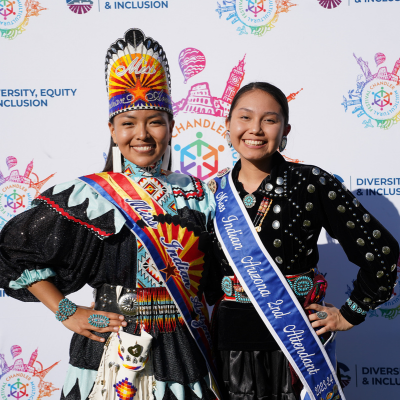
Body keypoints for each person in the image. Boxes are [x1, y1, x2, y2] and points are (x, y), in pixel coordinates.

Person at [0, 28, 219, 400]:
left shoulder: (198, 195)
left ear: (171, 126)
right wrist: (67, 310)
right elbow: (12, 253)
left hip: (183, 347)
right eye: (129, 123)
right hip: (109, 344)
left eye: (154, 121)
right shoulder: (90, 196)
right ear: (112, 130)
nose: (142, 134)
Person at [206, 82, 399, 400]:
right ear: (228, 126)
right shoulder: (210, 194)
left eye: (269, 119)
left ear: (285, 130)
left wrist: (351, 312)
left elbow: (381, 252)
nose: (255, 129)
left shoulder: (312, 183)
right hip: (230, 348)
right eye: (245, 117)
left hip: (298, 346)